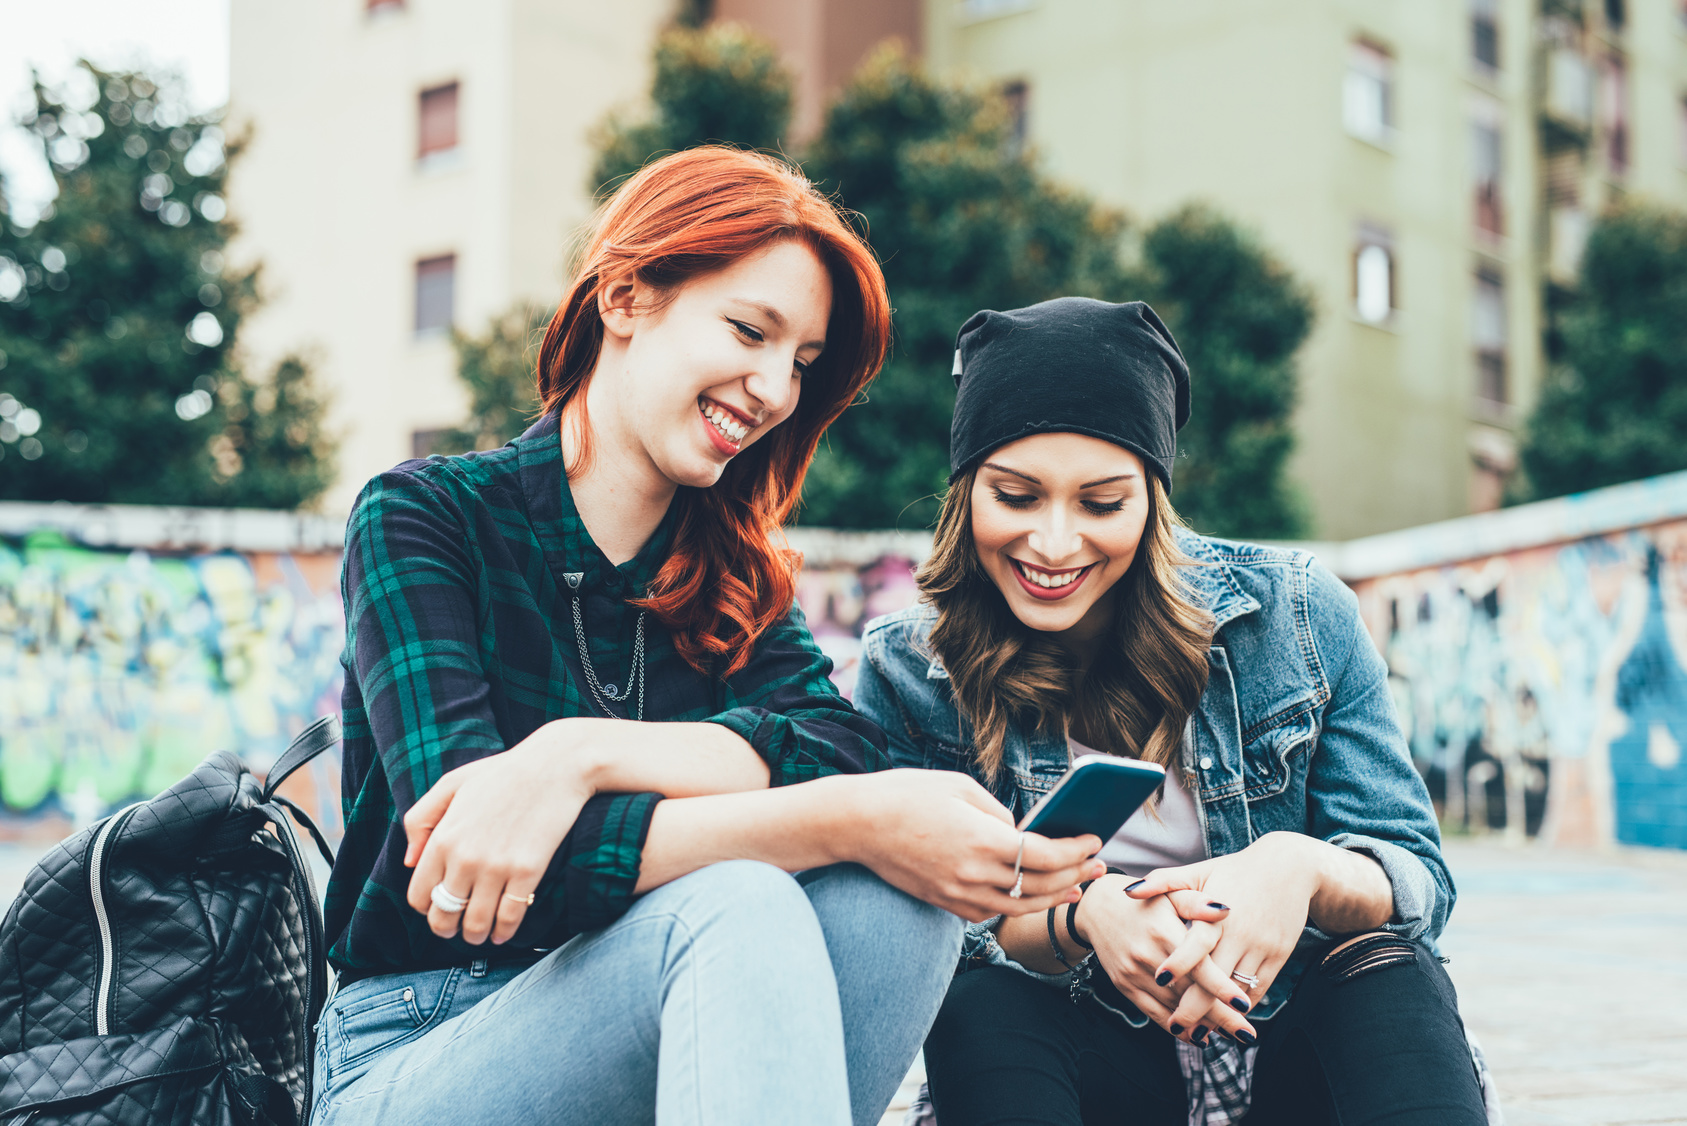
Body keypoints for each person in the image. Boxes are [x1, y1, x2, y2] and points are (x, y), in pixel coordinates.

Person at [311, 150, 1104, 1126]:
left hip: (667, 1029)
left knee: (895, 901)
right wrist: (839, 819)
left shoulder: (734, 572)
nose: (773, 389)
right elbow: (469, 872)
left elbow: (837, 744)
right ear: (626, 296)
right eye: (748, 330)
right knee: (743, 898)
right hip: (420, 1040)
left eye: (802, 365)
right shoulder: (426, 516)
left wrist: (582, 755)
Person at [854, 298, 1488, 1126]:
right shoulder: (908, 669)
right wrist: (1080, 919)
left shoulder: (1294, 615)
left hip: (1287, 1050)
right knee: (982, 999)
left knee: (1388, 965)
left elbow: (1416, 880)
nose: (1052, 543)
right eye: (1014, 495)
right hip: (1093, 1064)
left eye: (1100, 503)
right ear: (965, 492)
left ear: (1151, 499)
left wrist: (1295, 870)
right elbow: (913, 931)